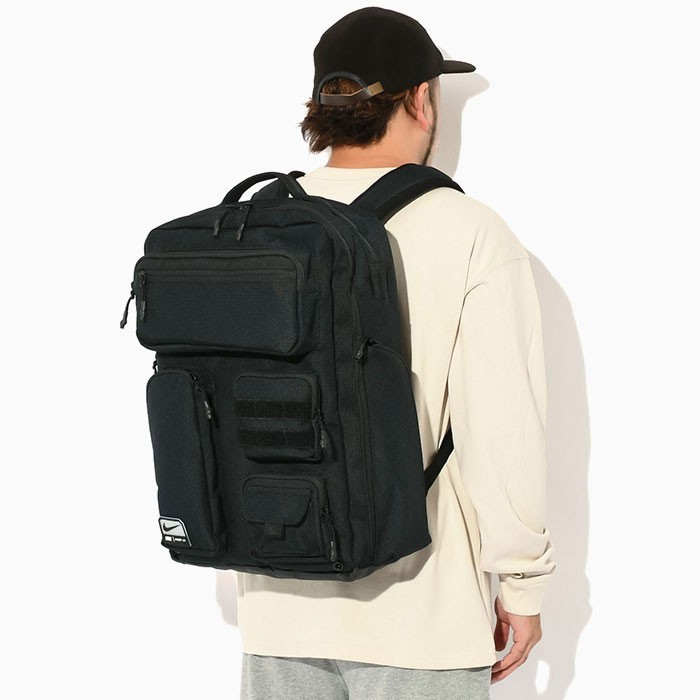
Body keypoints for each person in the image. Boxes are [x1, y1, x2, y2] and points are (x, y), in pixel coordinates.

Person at [237, 7, 557, 699]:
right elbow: (503, 428)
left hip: (276, 607)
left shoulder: (256, 224)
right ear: (420, 99)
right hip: (421, 614)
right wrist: (522, 584)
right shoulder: (469, 230)